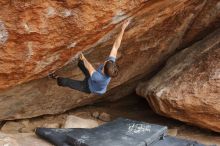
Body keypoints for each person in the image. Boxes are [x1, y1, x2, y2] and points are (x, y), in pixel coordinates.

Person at [49, 20, 130, 95]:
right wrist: (123, 29)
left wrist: (83, 57)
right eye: (107, 62)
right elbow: (116, 46)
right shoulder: (110, 66)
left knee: (65, 81)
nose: (106, 61)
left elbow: (89, 67)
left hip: (88, 87)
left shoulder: (99, 78)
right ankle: (79, 62)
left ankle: (55, 77)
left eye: (105, 63)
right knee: (81, 63)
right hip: (92, 79)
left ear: (103, 71)